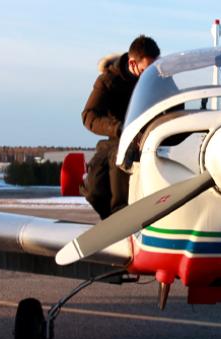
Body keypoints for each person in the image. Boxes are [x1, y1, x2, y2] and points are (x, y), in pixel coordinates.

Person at [81, 35, 160, 219]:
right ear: (132, 64)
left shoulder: (160, 79)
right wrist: (118, 128)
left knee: (121, 197)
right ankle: (112, 224)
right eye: (145, 69)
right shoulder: (108, 81)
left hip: (145, 142)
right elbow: (89, 115)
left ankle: (123, 220)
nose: (150, 75)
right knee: (93, 190)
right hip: (115, 138)